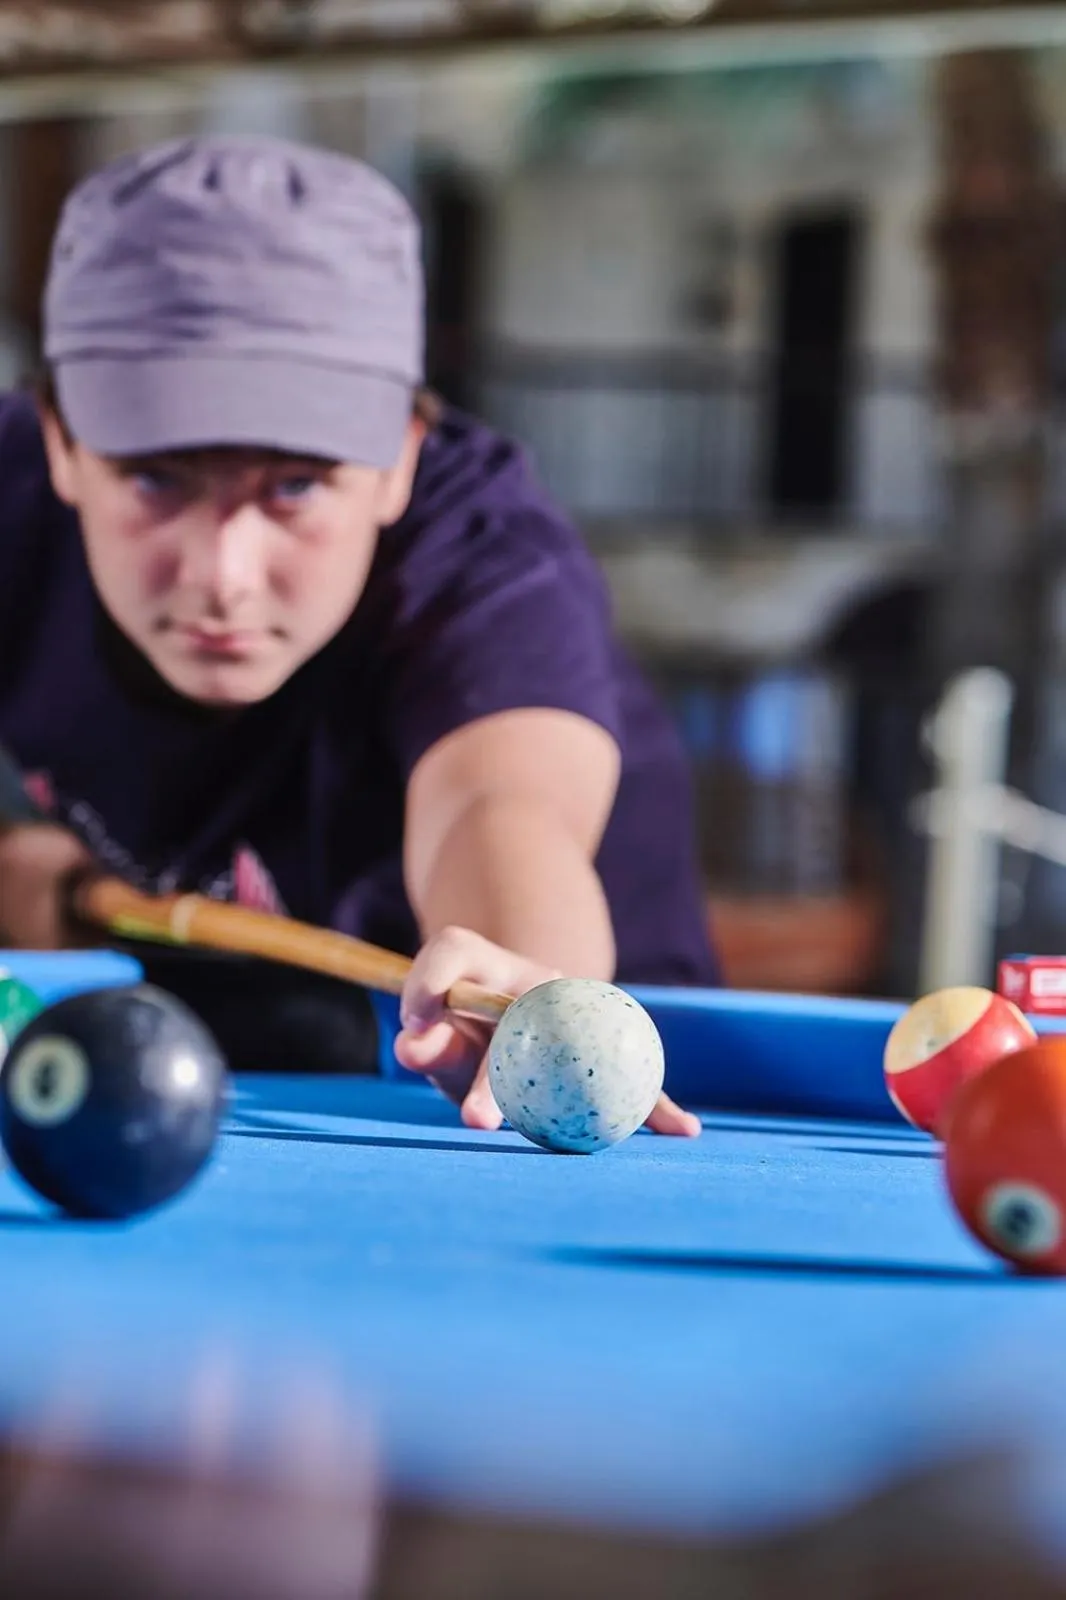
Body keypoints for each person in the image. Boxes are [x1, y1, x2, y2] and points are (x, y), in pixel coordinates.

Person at [0, 132, 715, 1135]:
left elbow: (497, 806)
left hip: (557, 1110)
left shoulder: (488, 563)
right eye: (154, 477)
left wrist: (520, 979)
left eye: (296, 484)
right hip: (208, 1059)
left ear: (398, 459)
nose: (223, 576)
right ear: (62, 446)